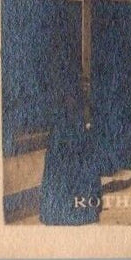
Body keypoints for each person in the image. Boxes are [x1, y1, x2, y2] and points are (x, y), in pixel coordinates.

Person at [40, 81, 101, 225]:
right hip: (65, 131)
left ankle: (79, 211)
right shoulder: (63, 92)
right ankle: (63, 211)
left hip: (73, 128)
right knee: (64, 170)